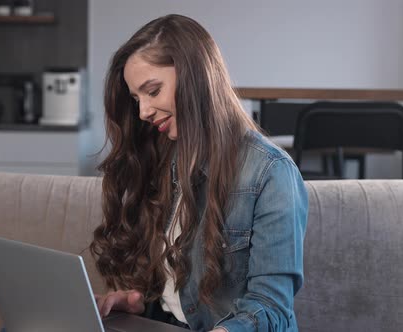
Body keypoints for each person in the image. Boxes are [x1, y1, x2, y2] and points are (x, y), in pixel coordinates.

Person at [90, 14, 308, 332]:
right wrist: (138, 304)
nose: (143, 112)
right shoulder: (167, 156)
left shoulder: (270, 173)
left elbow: (272, 307)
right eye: (137, 99)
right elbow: (177, 290)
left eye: (153, 91)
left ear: (195, 77)